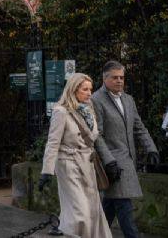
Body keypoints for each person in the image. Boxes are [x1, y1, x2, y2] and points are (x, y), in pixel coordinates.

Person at [39, 73, 113, 238]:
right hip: (68, 165)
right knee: (79, 214)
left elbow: (93, 138)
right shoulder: (61, 111)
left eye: (90, 89)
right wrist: (47, 171)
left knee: (92, 212)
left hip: (87, 164)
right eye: (84, 89)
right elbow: (53, 142)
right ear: (73, 90)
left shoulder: (88, 110)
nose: (89, 93)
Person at [92, 61, 159, 238]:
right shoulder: (96, 100)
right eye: (115, 77)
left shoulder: (128, 99)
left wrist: (151, 148)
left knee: (111, 205)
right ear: (105, 78)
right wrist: (109, 161)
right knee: (124, 206)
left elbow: (139, 127)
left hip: (129, 159)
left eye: (122, 77)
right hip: (114, 162)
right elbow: (96, 135)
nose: (119, 81)